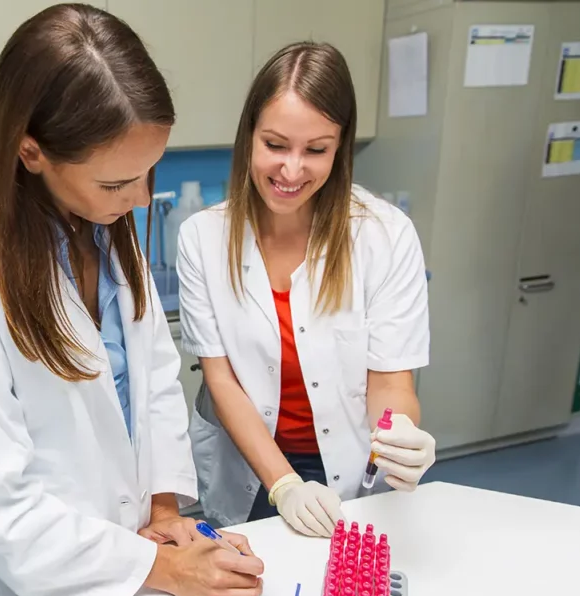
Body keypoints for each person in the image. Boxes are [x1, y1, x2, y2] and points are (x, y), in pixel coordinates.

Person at [0, 5, 269, 596]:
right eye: (117, 182)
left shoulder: (103, 226)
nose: (139, 199)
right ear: (31, 150)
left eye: (149, 172)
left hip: (143, 554)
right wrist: (160, 565)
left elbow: (153, 376)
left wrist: (163, 510)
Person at [177, 42, 437, 537]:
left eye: (315, 150)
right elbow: (222, 381)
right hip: (250, 467)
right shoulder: (204, 239)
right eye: (275, 145)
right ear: (249, 136)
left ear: (339, 147)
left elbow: (390, 383)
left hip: (350, 461)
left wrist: (400, 434)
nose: (292, 171)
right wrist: (284, 485)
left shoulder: (385, 234)